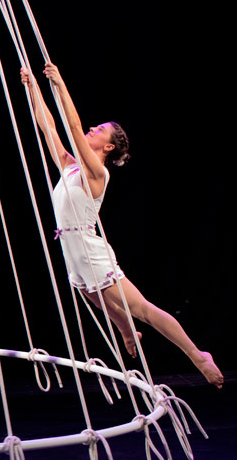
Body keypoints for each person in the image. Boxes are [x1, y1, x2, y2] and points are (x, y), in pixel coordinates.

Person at [21, 61, 223, 388]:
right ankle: (126, 331)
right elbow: (49, 128)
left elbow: (72, 127)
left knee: (141, 309)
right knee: (98, 299)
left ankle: (198, 355)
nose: (92, 129)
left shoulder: (97, 174)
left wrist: (59, 84)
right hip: (72, 251)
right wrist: (33, 88)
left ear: (109, 147)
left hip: (90, 250)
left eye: (100, 130)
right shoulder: (70, 166)